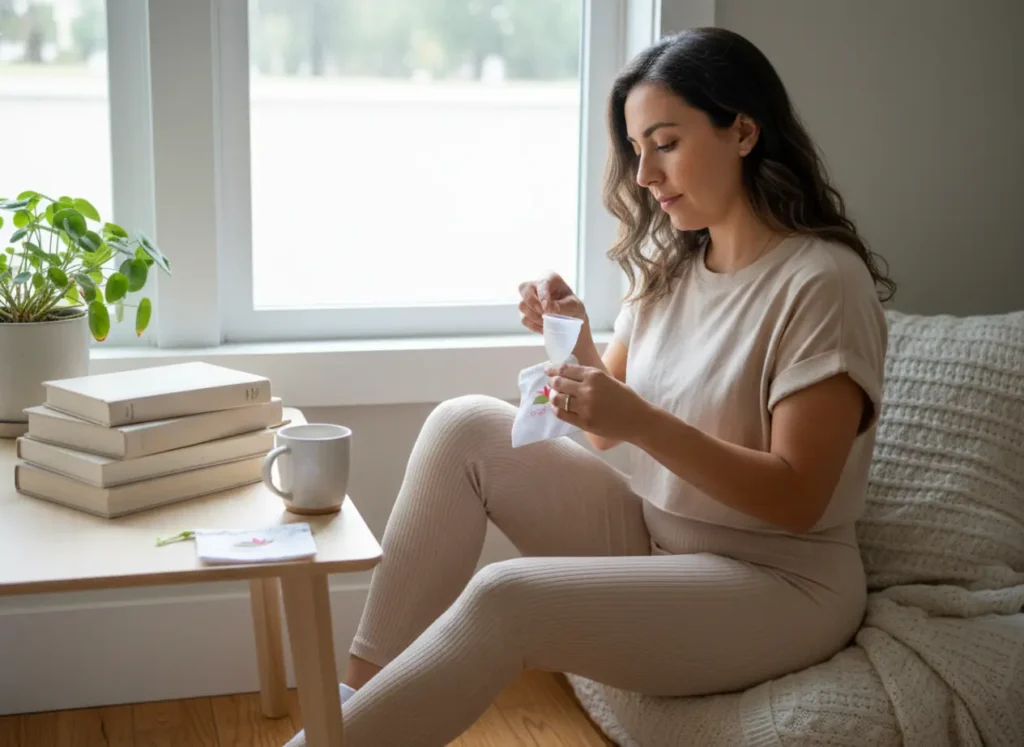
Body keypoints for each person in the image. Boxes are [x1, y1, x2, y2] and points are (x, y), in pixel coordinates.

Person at [285, 26, 894, 747]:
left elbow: (798, 496)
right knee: (464, 423)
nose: (644, 175)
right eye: (637, 150)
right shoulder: (673, 264)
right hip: (656, 539)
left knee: (507, 595)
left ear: (744, 131)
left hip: (777, 582)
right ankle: (352, 707)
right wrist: (569, 333)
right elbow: (607, 426)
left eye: (665, 143)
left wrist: (638, 419)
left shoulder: (821, 282)